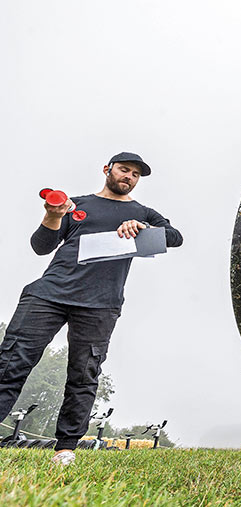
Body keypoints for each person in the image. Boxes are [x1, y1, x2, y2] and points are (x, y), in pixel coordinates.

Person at [0, 152, 182, 466]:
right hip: (48, 294)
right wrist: (53, 215)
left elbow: (175, 238)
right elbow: (41, 246)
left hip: (101, 304)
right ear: (107, 169)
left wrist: (142, 228)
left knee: (84, 375)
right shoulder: (76, 204)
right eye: (124, 170)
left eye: (135, 174)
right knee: (11, 362)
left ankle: (65, 449)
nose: (129, 177)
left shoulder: (143, 212)